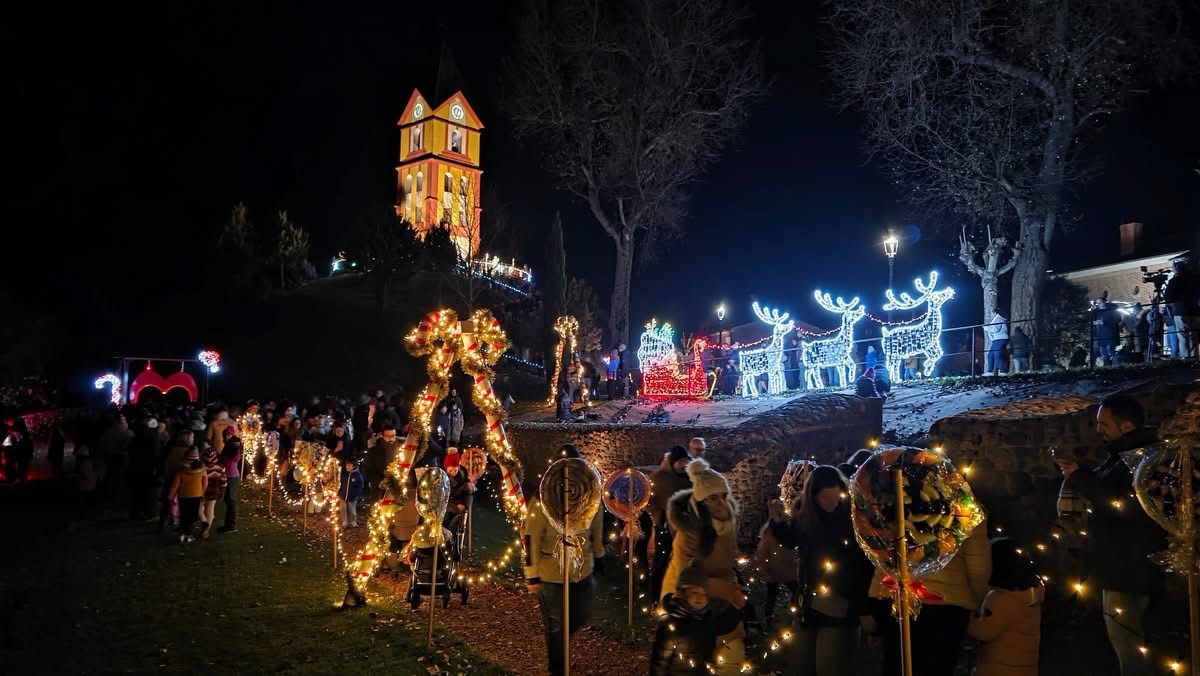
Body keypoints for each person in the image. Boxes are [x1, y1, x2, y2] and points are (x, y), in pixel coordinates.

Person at [1054, 394, 1161, 676]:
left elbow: (1122, 505)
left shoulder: (1139, 459)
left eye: (1104, 423)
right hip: (1120, 565)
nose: (1098, 429)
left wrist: (1078, 476)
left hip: (1127, 567)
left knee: (1128, 640)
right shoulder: (1122, 455)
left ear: (1126, 426)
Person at [767, 466, 873, 676]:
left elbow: (863, 566)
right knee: (802, 664)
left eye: (832, 494)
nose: (828, 502)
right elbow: (792, 539)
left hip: (840, 604)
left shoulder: (853, 521)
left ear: (841, 489)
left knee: (831, 665)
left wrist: (864, 608)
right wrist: (777, 523)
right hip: (809, 602)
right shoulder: (806, 517)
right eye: (822, 497)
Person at [872, 502, 991, 676]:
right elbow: (978, 564)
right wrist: (976, 599)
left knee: (899, 663)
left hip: (899, 597)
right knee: (937, 666)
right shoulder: (966, 505)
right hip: (947, 604)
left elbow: (884, 551)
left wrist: (878, 591)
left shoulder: (899, 496)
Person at [524, 447, 605, 676]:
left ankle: (560, 642)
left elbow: (595, 528)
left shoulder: (589, 498)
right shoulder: (542, 503)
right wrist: (532, 574)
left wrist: (598, 555)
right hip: (552, 574)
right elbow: (531, 538)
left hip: (583, 570)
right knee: (557, 626)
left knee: (579, 614)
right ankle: (557, 668)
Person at [663, 458, 746, 673]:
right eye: (713, 498)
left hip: (723, 599)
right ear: (701, 501)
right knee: (696, 659)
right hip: (694, 600)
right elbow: (686, 577)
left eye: (724, 496)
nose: (721, 503)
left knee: (731, 658)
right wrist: (726, 589)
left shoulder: (728, 519)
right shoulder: (689, 532)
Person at [968, 538, 1044, 676]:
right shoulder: (1031, 594)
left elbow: (983, 631)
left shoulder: (1001, 599)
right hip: (1025, 668)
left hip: (998, 669)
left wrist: (969, 615)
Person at [650, 563, 744, 675]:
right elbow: (659, 662)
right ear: (683, 593)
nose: (700, 598)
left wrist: (736, 607)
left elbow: (725, 625)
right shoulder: (670, 624)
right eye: (694, 592)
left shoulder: (706, 618)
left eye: (703, 593)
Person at [649, 446, 693, 602]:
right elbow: (652, 501)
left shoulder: (691, 478)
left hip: (685, 527)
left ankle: (682, 596)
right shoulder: (660, 477)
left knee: (685, 563)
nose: (684, 464)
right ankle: (656, 598)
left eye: (685, 461)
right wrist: (659, 517)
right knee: (660, 563)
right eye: (680, 461)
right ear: (673, 462)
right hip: (665, 528)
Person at [755, 499, 799, 626]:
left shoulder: (785, 524)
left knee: (794, 590)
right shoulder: (770, 530)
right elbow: (763, 551)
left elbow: (792, 541)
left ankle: (794, 610)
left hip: (784, 565)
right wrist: (763, 566)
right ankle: (769, 618)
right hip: (777, 567)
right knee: (773, 594)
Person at [168, 449, 208, 544]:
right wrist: (202, 492)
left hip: (184, 496)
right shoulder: (202, 471)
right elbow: (205, 481)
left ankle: (183, 533)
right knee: (192, 516)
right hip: (196, 496)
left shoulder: (181, 472)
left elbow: (175, 485)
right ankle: (189, 534)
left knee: (184, 515)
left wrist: (170, 496)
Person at [127, 417, 161, 520]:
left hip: (136, 468)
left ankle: (136, 512)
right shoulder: (154, 439)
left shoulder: (137, 437)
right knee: (149, 492)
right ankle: (148, 512)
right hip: (149, 469)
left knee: (137, 492)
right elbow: (156, 454)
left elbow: (130, 450)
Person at [445, 449, 474, 532]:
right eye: (450, 470)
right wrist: (455, 506)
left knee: (459, 519)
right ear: (446, 469)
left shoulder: (464, 480)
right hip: (448, 506)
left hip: (460, 508)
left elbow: (469, 494)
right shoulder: (443, 479)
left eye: (455, 470)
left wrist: (466, 506)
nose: (453, 472)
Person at [201, 446, 227, 538]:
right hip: (215, 491)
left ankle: (204, 522)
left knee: (200, 508)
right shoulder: (220, 467)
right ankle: (206, 531)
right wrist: (222, 490)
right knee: (210, 511)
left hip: (203, 491)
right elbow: (223, 480)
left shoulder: (202, 468)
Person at [219, 433, 242, 533]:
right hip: (228, 476)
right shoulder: (230, 451)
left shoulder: (234, 452)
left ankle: (231, 526)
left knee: (231, 500)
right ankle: (228, 524)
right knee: (228, 500)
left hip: (232, 477)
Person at [1092, 298, 1121, 367]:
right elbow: (1092, 320)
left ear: (1105, 302)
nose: (1099, 305)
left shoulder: (1113, 311)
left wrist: (1104, 322)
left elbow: (1117, 321)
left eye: (1100, 303)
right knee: (1104, 354)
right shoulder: (1098, 312)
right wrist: (1095, 322)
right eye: (1098, 303)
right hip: (1101, 336)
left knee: (1111, 352)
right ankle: (1107, 369)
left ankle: (1116, 368)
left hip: (1110, 335)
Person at [339, 458, 365, 528]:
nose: (347, 467)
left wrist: (356, 495)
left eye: (349, 465)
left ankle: (352, 521)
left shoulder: (357, 475)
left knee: (352, 510)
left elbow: (360, 486)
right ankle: (345, 521)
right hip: (343, 495)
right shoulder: (345, 474)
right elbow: (342, 483)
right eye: (347, 465)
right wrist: (340, 492)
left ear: (354, 466)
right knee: (343, 509)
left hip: (352, 497)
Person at [983, 311, 1009, 375]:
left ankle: (1003, 371)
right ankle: (990, 371)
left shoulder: (998, 319)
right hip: (997, 339)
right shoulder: (998, 319)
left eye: (992, 312)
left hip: (999, 339)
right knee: (990, 355)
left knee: (997, 355)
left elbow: (995, 329)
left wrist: (985, 327)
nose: (991, 314)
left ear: (995, 313)